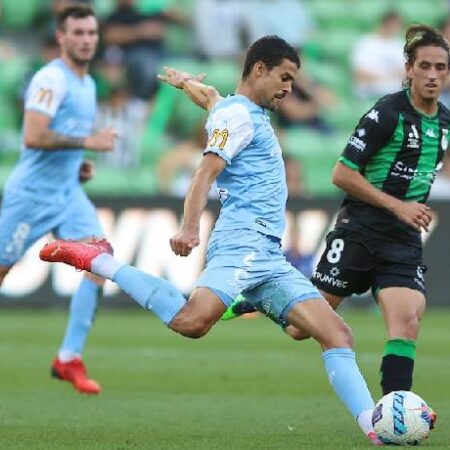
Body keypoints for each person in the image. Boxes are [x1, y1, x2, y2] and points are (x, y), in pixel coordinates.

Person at [40, 35, 382, 445]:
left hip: (268, 256)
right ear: (259, 69)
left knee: (333, 334)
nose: (289, 88)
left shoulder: (236, 109)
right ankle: (99, 260)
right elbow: (204, 173)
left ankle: (376, 428)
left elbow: (210, 98)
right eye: (284, 77)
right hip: (243, 242)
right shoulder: (236, 117)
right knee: (191, 322)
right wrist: (189, 227)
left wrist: (187, 83)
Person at [224, 25, 449, 414]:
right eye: (424, 66)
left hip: (402, 242)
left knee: (407, 320)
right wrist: (398, 206)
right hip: (359, 232)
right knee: (299, 329)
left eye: (441, 67)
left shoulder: (444, 121)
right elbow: (342, 173)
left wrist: (407, 212)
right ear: (409, 69)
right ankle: (259, 299)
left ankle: (395, 412)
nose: (432, 74)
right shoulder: (387, 113)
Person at [0, 5, 117, 394]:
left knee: (100, 260)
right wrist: (88, 142)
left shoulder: (87, 83)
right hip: (31, 195)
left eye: (91, 33)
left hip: (67, 191)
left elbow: (59, 139)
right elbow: (33, 135)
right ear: (61, 37)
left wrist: (78, 162)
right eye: (78, 33)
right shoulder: (52, 79)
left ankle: (69, 358)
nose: (86, 40)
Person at [351, 10, 405, 100]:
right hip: (369, 91)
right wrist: (387, 76)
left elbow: (406, 72)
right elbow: (359, 73)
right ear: (384, 23)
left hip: (395, 92)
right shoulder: (365, 43)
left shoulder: (400, 44)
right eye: (393, 24)